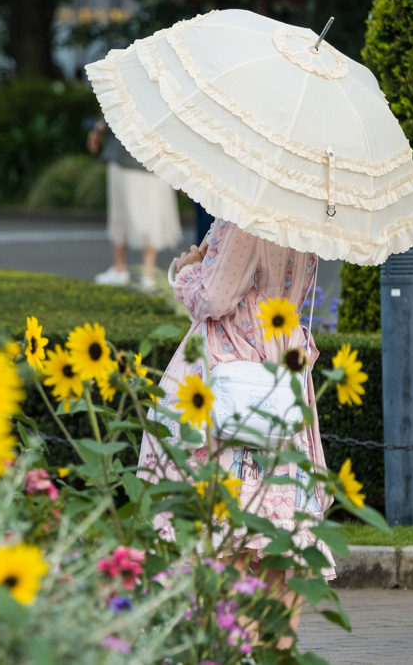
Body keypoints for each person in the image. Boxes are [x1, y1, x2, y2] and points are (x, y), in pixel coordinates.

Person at [140, 217, 334, 644]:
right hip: (281, 370)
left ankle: (236, 651)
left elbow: (214, 297)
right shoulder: (300, 218)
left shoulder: (246, 217)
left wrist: (187, 269)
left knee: (225, 545)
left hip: (231, 369)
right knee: (279, 552)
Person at [86, 120, 182, 290]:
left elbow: (116, 108)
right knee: (154, 215)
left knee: (120, 213)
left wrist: (99, 127)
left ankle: (120, 269)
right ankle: (147, 274)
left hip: (126, 156)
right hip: (157, 158)